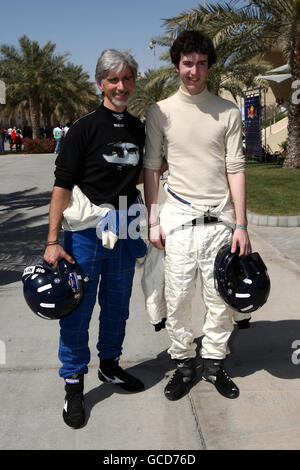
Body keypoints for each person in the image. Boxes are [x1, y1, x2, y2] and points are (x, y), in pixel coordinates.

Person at [144, 30, 252, 401]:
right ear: (177, 65)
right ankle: (183, 364)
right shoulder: (160, 111)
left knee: (219, 299)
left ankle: (214, 364)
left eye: (201, 63)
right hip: (177, 220)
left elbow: (235, 168)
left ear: (209, 65)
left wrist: (242, 224)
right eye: (187, 63)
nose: (194, 71)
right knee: (176, 300)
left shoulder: (227, 111)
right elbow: (152, 168)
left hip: (220, 222)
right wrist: (154, 219)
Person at [43, 49, 146, 429]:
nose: (121, 86)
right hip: (84, 234)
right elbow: (61, 186)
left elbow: (136, 174)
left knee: (117, 306)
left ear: (134, 81)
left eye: (127, 78)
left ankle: (109, 365)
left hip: (124, 229)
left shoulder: (138, 128)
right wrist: (53, 240)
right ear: (100, 83)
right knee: (77, 309)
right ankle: (73, 383)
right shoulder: (83, 128)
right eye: (113, 80)